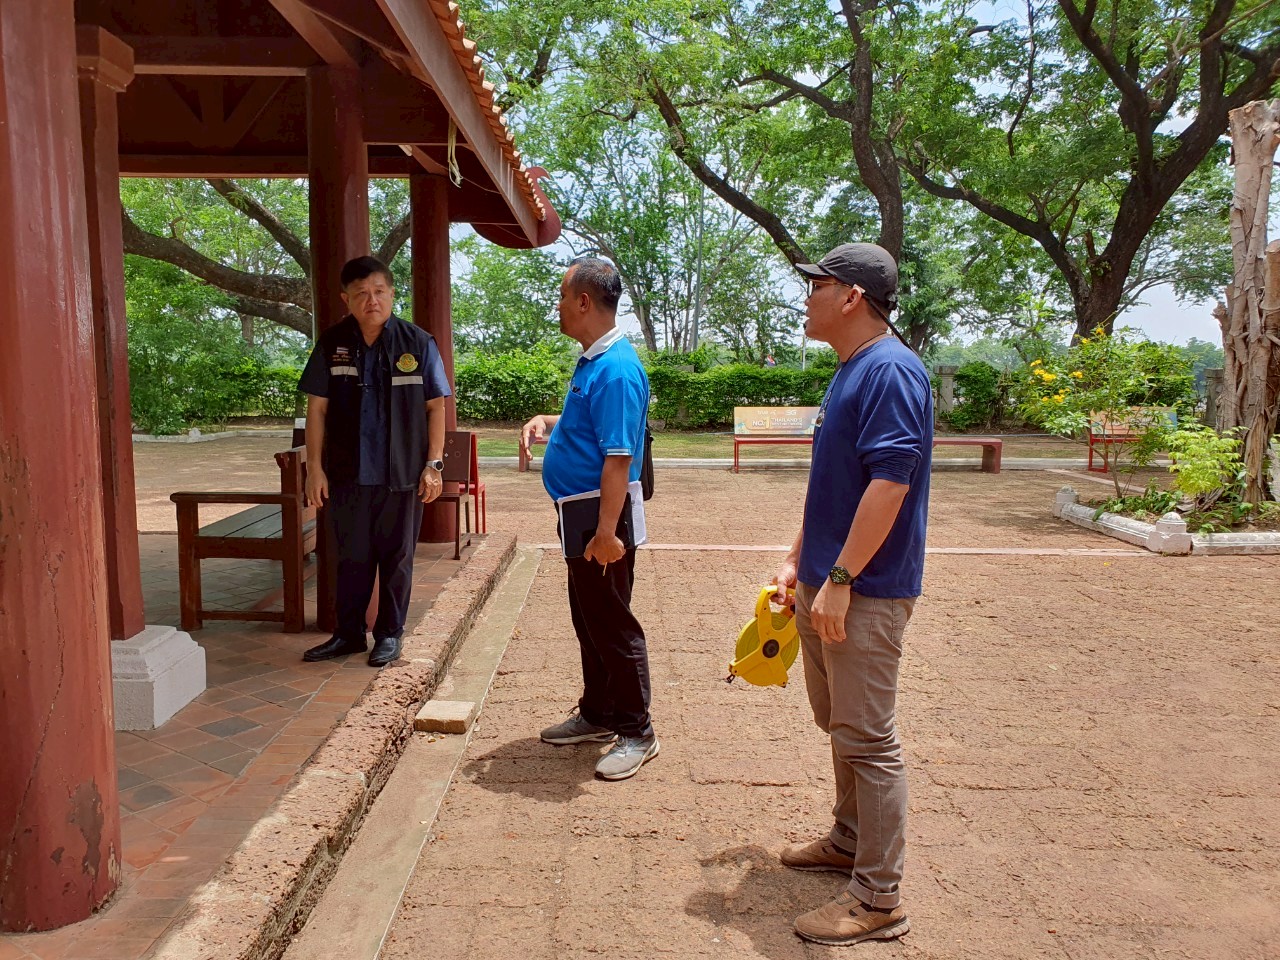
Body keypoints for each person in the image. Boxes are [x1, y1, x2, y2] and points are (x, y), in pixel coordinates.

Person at [769, 242, 932, 946]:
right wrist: (798, 560)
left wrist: (840, 579)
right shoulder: (851, 369)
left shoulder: (890, 370)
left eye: (818, 285)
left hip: (863, 591)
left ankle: (878, 898)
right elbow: (836, 485)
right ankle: (847, 839)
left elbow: (890, 484)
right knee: (841, 725)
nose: (807, 297)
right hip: (828, 583)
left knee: (867, 738)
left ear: (852, 297)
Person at [520, 257, 658, 781]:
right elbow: (593, 427)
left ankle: (638, 731)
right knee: (589, 618)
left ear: (583, 301)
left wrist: (605, 532)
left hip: (603, 520)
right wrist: (549, 421)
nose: (557, 305)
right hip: (581, 513)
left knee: (613, 624)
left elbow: (619, 458)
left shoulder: (617, 369)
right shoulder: (595, 361)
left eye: (562, 295)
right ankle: (599, 713)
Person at [297, 256, 452, 667]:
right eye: (362, 293)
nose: (372, 301)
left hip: (402, 475)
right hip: (347, 475)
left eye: (379, 291)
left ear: (392, 293)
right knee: (350, 558)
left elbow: (436, 407)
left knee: (397, 559)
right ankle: (348, 635)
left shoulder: (417, 342)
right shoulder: (332, 343)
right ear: (346, 299)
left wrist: (433, 465)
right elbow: (317, 409)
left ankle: (389, 635)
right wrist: (315, 468)